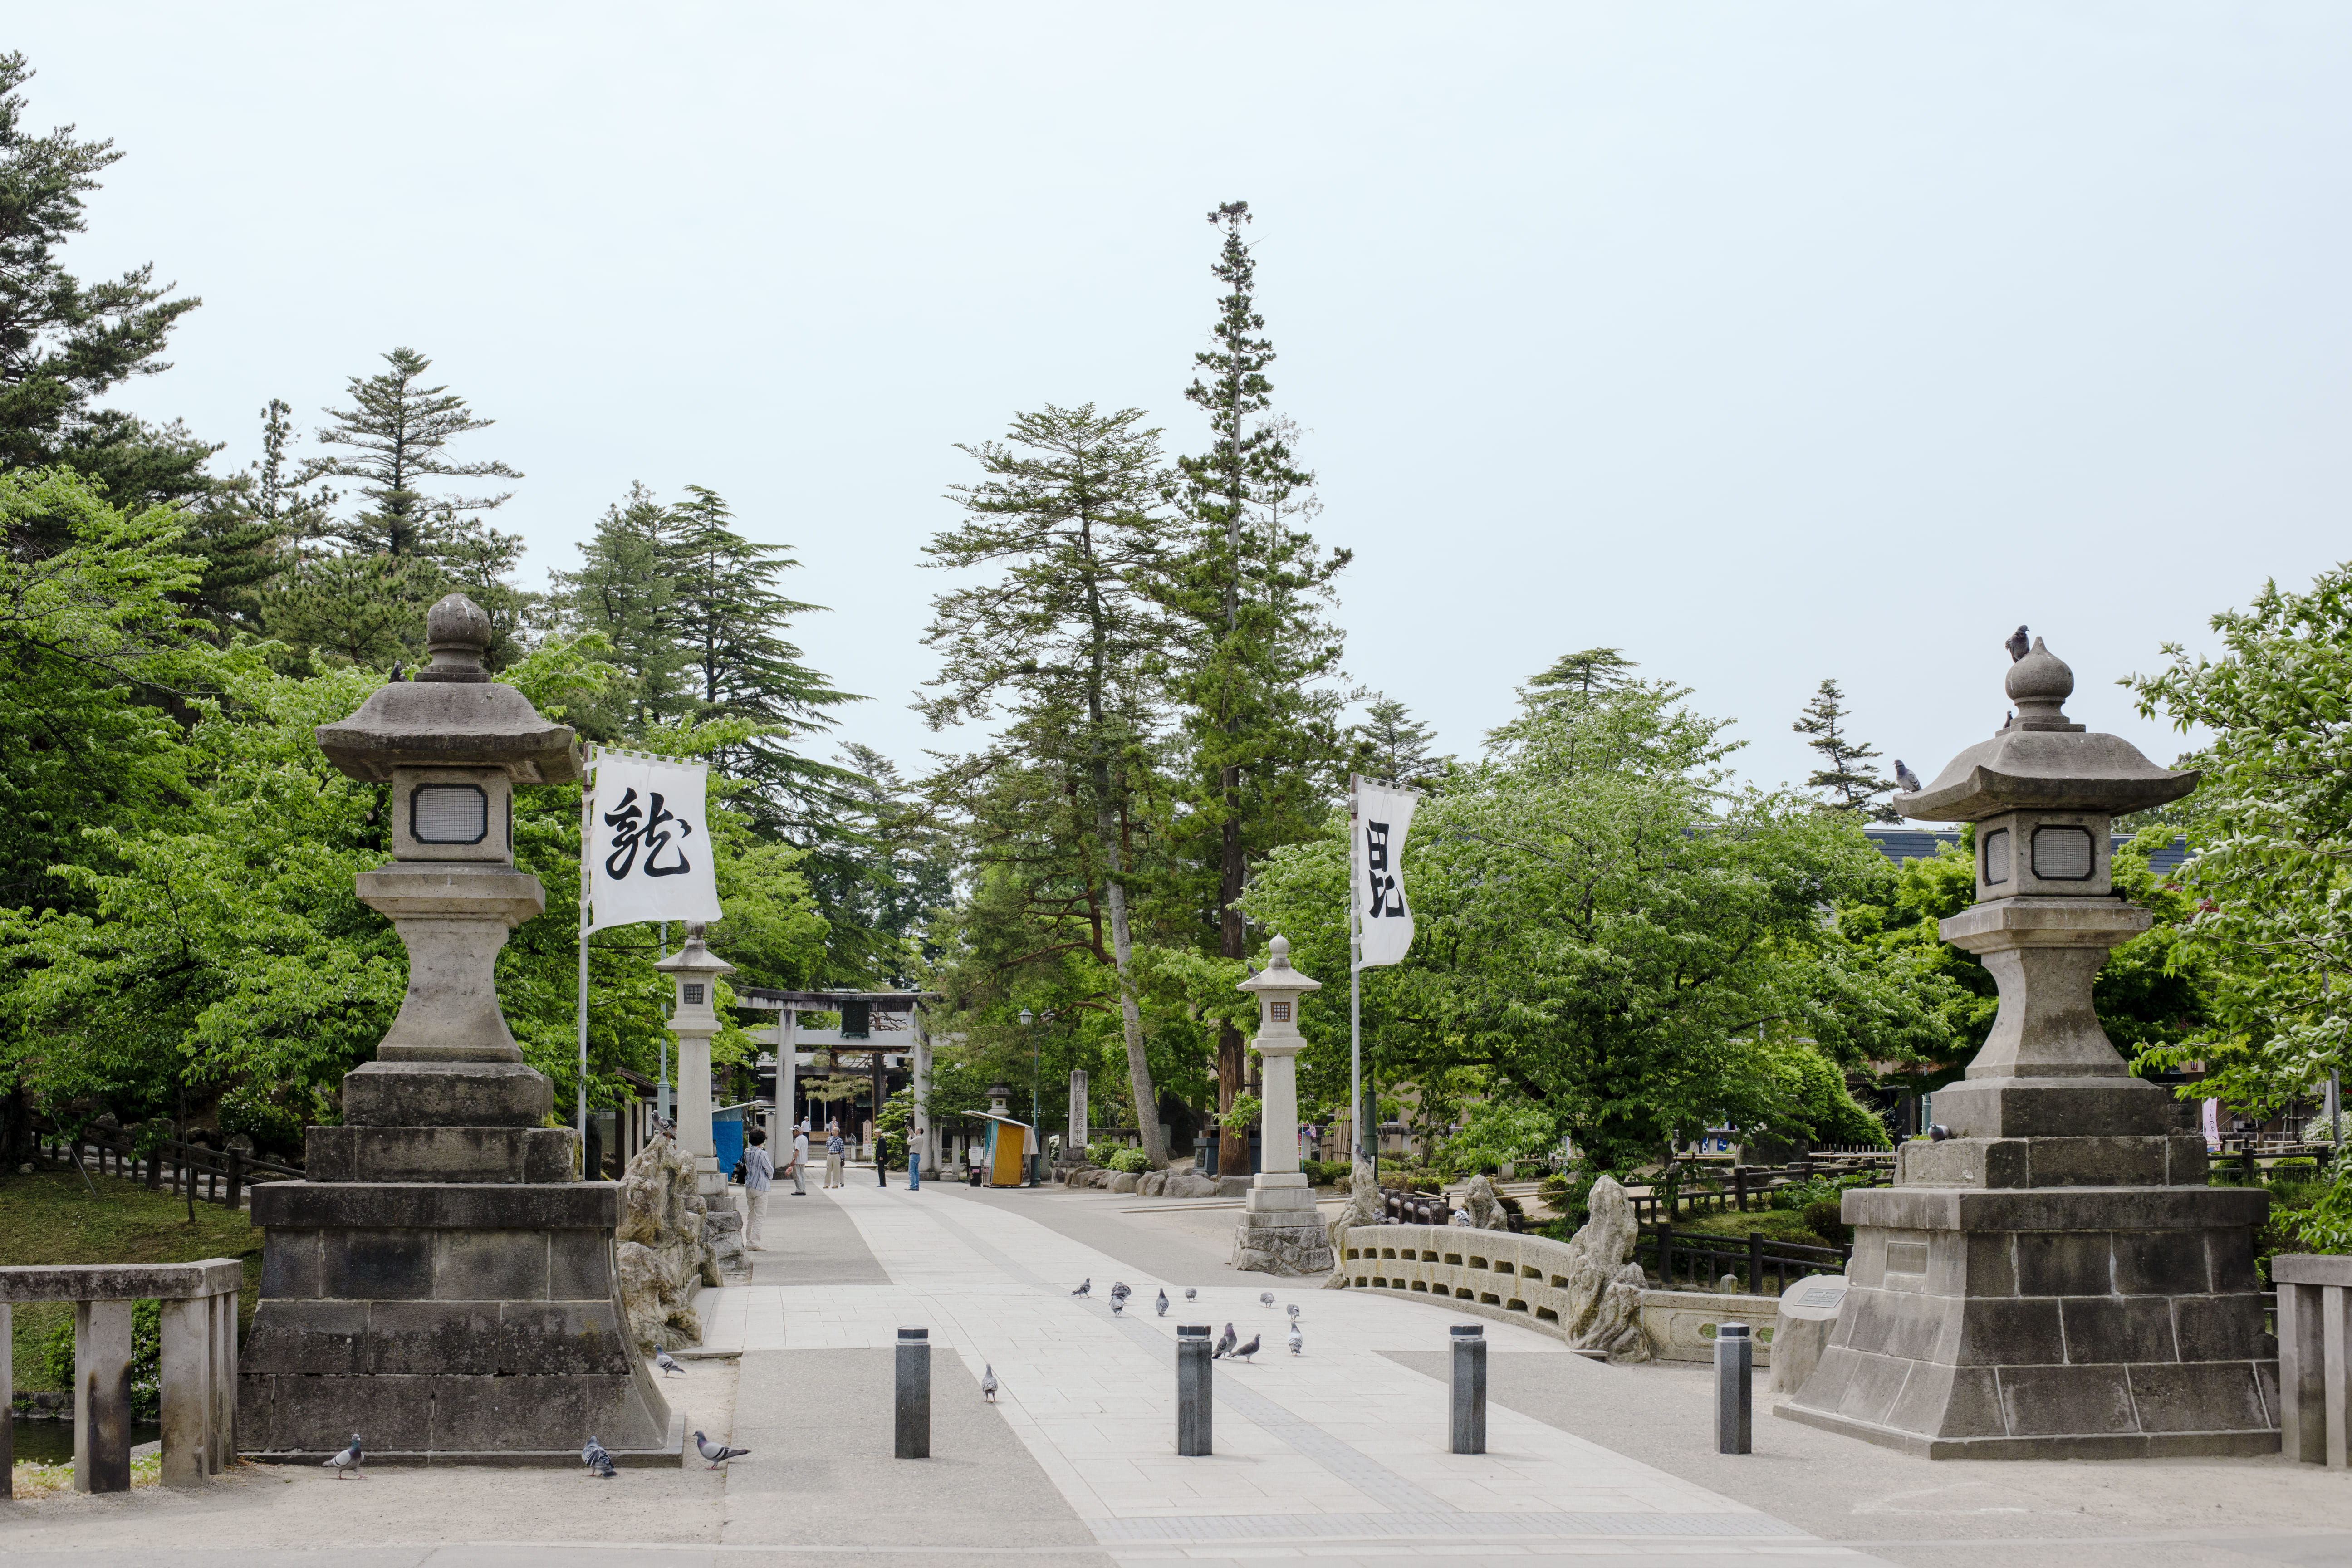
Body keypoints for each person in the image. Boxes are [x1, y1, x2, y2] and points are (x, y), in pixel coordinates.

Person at [740, 1127, 774, 1249]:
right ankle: (754, 1243)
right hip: (760, 1186)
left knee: (751, 1216)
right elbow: (770, 1170)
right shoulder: (763, 1154)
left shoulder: (747, 1152)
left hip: (749, 1186)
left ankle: (749, 1240)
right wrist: (769, 1177)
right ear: (762, 1141)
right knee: (760, 1216)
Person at [787, 1120, 808, 1195]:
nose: (793, 1133)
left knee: (797, 1175)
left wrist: (793, 1160)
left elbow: (797, 1150)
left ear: (797, 1131)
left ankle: (799, 1190)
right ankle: (803, 1189)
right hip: (804, 1159)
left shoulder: (798, 1139)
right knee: (802, 1175)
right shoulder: (805, 1138)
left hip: (798, 1160)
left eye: (794, 1131)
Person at [824, 1122, 846, 1188]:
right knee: (828, 1170)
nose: (832, 1132)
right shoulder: (829, 1139)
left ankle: (836, 1184)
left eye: (834, 1131)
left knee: (836, 1170)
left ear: (837, 1132)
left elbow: (842, 1150)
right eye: (832, 1130)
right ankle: (827, 1184)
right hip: (830, 1155)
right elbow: (827, 1147)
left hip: (836, 1155)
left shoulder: (840, 1140)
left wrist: (838, 1155)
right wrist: (829, 1153)